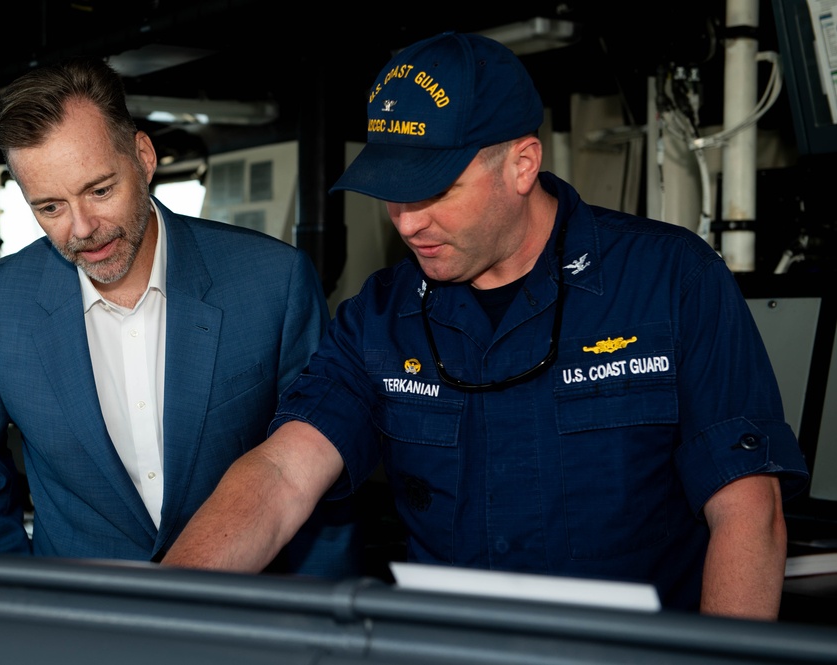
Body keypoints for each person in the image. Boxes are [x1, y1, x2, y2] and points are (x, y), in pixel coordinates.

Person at [162, 32, 809, 618]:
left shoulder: (671, 280)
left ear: (521, 165)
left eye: (436, 190)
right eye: (392, 191)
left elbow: (748, 512)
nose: (407, 222)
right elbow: (280, 473)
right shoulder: (380, 317)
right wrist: (162, 612)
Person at [0, 58, 356, 575]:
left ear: (143, 156)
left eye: (100, 190)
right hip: (77, 630)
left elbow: (322, 479)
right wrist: (14, 614)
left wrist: (308, 632)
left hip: (241, 625)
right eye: (50, 208)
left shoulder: (274, 282)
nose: (82, 228)